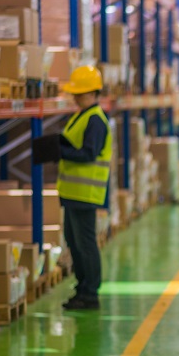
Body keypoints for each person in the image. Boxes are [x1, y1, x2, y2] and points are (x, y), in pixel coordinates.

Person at [58, 65, 112, 311]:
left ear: (93, 93)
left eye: (80, 93)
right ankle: (82, 288)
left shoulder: (96, 120)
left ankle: (91, 293)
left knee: (85, 242)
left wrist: (61, 151)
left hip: (85, 193)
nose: (76, 97)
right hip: (72, 193)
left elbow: (88, 153)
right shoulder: (82, 115)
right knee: (73, 239)